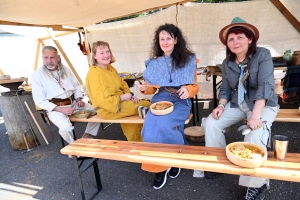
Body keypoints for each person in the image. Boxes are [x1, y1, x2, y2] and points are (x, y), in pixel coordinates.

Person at [203, 17, 279, 200]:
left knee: (254, 133)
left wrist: (255, 115)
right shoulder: (227, 63)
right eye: (231, 39)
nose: (235, 42)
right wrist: (221, 105)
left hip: (264, 103)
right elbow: (226, 89)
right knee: (212, 122)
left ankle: (256, 183)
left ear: (250, 39)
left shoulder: (263, 55)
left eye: (240, 37)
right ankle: (218, 164)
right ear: (227, 44)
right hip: (239, 102)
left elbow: (265, 86)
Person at [138, 23, 199, 189]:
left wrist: (188, 90)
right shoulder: (156, 63)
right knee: (150, 124)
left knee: (163, 124)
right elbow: (153, 86)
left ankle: (174, 158)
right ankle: (159, 166)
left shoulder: (188, 59)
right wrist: (145, 88)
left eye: (168, 38)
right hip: (162, 97)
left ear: (176, 40)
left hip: (181, 99)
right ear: (158, 42)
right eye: (161, 39)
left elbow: (195, 86)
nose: (165, 42)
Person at [31, 46, 100, 144]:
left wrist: (79, 99)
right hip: (55, 109)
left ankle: (87, 135)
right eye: (46, 57)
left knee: (96, 111)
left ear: (58, 57)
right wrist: (61, 109)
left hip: (74, 104)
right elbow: (39, 100)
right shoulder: (37, 75)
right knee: (66, 128)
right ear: (42, 58)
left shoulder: (66, 69)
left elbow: (76, 85)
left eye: (52, 57)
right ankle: (74, 146)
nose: (49, 61)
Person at [85, 41, 150, 142]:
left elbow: (122, 83)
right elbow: (103, 101)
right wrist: (124, 97)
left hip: (120, 102)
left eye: (107, 51)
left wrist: (131, 95)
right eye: (102, 53)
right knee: (146, 105)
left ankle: (139, 141)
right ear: (94, 56)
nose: (106, 55)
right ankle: (139, 141)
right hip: (108, 109)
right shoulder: (94, 74)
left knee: (139, 108)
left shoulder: (110, 68)